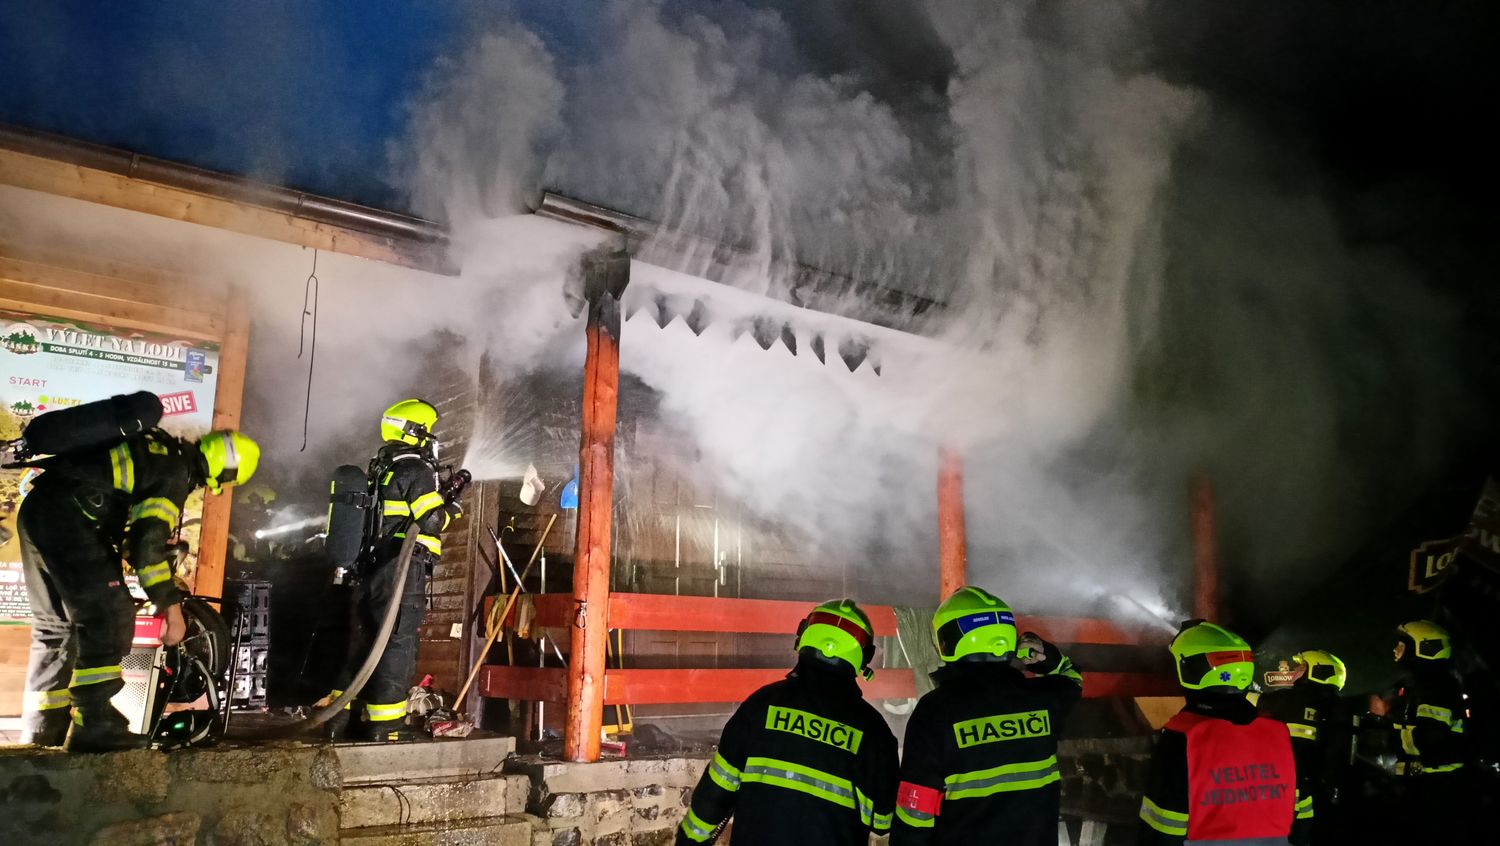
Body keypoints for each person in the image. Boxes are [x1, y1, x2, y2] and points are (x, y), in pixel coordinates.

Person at [18, 428, 259, 751]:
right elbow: (147, 545)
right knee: (110, 615)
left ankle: (43, 727)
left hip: (40, 509)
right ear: (224, 473)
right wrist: (171, 608)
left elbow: (135, 537)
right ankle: (95, 723)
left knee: (56, 627)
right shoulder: (174, 472)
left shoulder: (157, 453)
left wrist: (154, 558)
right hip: (72, 519)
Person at [676, 599, 899, 845]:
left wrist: (690, 839)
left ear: (803, 637)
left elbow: (716, 791)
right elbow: (883, 822)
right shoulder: (875, 732)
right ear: (864, 656)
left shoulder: (761, 705)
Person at [891, 586, 1083, 846]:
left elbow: (916, 809)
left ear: (949, 640)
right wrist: (1048, 659)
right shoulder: (1043, 700)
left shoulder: (935, 711)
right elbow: (1071, 680)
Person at [321, 399, 463, 742]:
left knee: (362, 640)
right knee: (397, 642)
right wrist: (453, 508)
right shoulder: (417, 469)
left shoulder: (378, 469)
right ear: (417, 432)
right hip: (401, 569)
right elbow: (431, 520)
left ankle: (339, 719)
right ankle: (384, 726)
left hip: (369, 567)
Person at [1138, 621, 1307, 845]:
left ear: (1191, 671)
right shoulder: (1279, 732)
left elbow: (1162, 829)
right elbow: (1302, 816)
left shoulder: (1183, 736)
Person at [1362, 620, 1469, 840]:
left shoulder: (1437, 685)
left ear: (1424, 647)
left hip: (1436, 788)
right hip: (1423, 785)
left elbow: (1429, 740)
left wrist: (1386, 716)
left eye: (1402, 645)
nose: (1395, 650)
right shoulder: (1418, 685)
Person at [1258, 650, 1350, 844]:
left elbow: (1247, 702)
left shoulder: (1293, 698)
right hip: (1320, 793)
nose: (1295, 670)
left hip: (1288, 790)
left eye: (1302, 667)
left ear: (1318, 671)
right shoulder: (1340, 707)